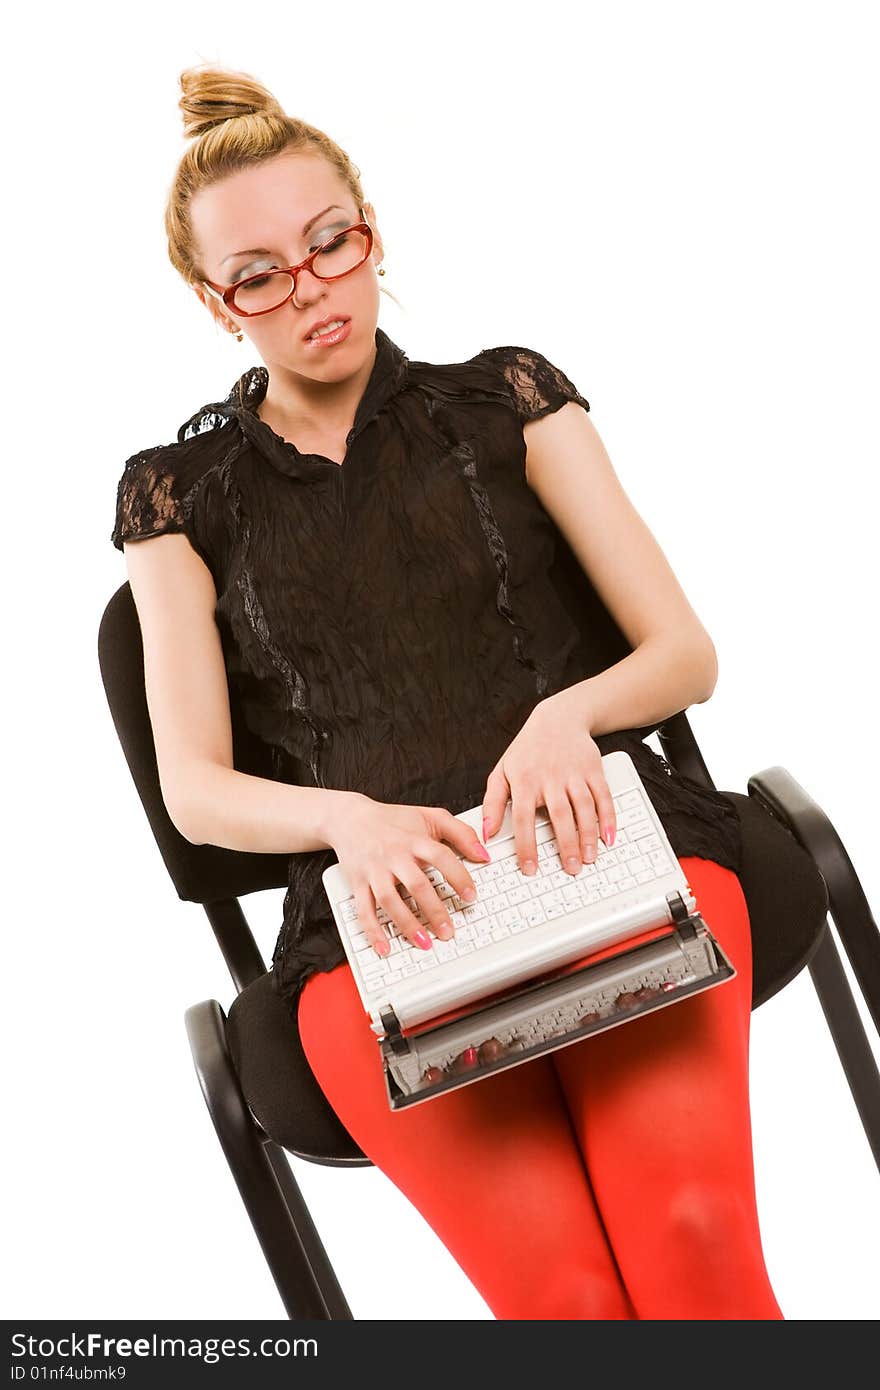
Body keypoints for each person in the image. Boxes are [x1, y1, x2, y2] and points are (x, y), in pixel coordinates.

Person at [112, 63, 784, 1320]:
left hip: (608, 850)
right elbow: (196, 793)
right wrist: (343, 820)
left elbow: (681, 654)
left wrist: (565, 714)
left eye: (329, 241)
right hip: (380, 922)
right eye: (259, 274)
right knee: (569, 1305)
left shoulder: (510, 398)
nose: (309, 285)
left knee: (689, 1242)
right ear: (217, 306)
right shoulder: (175, 499)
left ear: (370, 230)